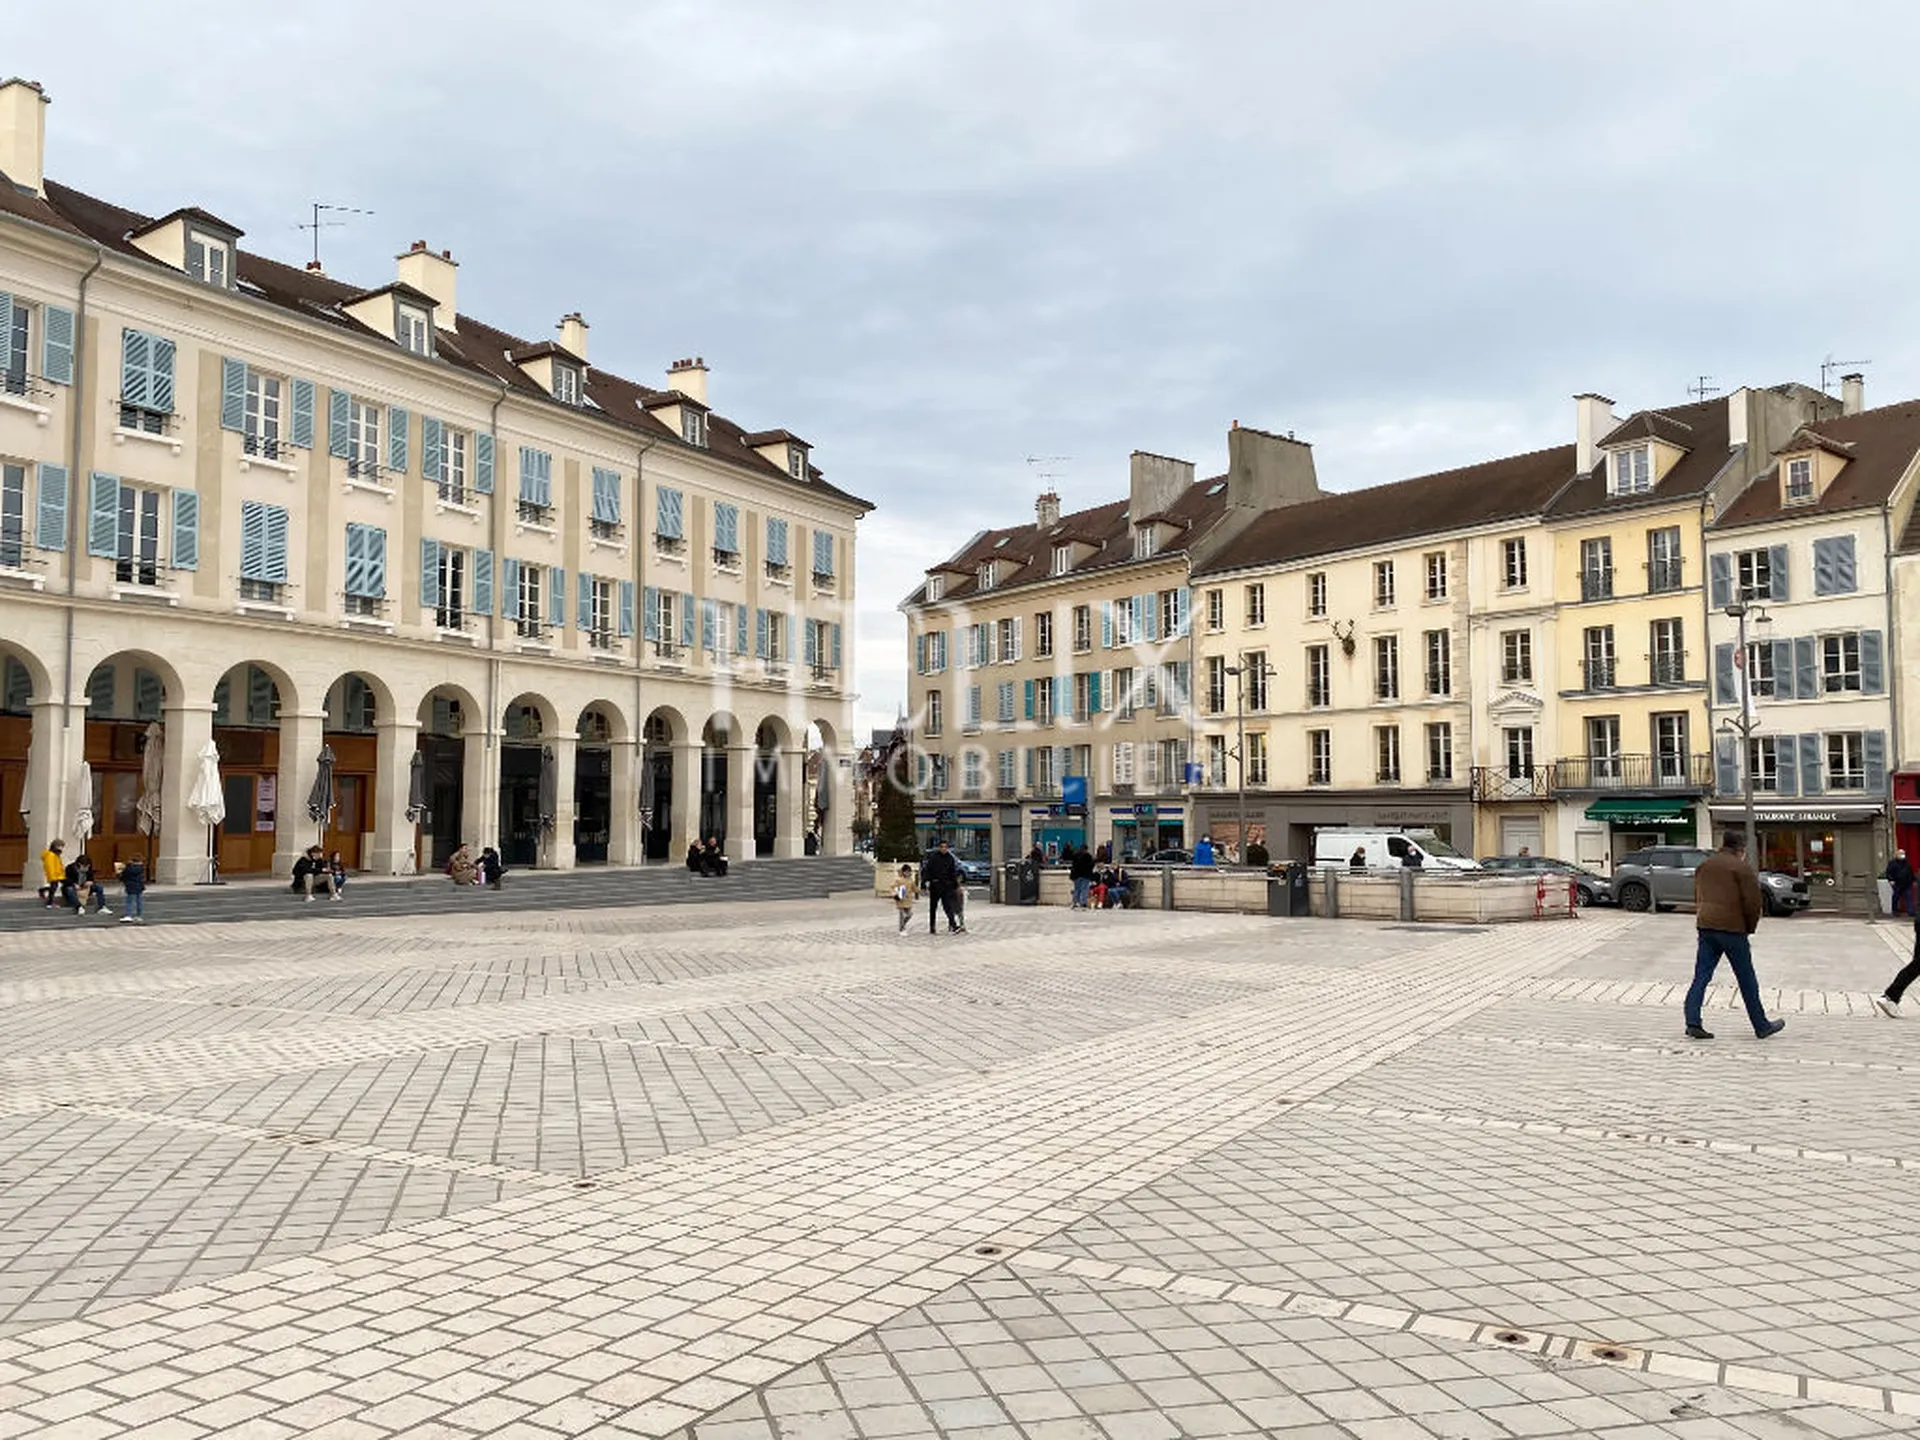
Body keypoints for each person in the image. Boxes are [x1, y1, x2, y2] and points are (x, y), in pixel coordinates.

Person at [1685, 830, 1785, 1040]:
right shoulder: (1741, 868)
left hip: (1706, 925)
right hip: (1732, 928)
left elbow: (1697, 894)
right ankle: (1761, 1025)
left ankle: (1693, 1021)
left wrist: (1703, 915)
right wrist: (1749, 926)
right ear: (1741, 849)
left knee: (1701, 975)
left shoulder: (1705, 865)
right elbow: (1753, 902)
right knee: (1746, 978)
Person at [922, 839, 963, 933]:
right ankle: (932, 927)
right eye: (942, 847)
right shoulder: (934, 857)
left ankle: (953, 925)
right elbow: (927, 870)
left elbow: (952, 872)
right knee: (933, 907)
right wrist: (924, 883)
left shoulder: (950, 858)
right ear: (939, 848)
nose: (944, 849)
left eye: (945, 847)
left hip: (946, 886)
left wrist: (955, 885)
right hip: (935, 885)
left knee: (948, 906)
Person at [1886, 850, 1915, 918]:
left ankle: (1910, 912)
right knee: (1896, 897)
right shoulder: (1892, 863)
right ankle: (1895, 910)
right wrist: (1891, 880)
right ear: (1896, 854)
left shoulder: (1907, 863)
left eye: (1903, 853)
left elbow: (1910, 872)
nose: (1902, 855)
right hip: (1897, 883)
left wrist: (1913, 880)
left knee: (1909, 897)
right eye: (1901, 853)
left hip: (1907, 883)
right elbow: (1889, 872)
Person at [117, 856, 146, 923]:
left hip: (131, 886)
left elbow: (123, 876)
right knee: (139, 901)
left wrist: (120, 873)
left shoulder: (129, 868)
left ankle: (128, 915)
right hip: (139, 886)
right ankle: (139, 916)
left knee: (129, 901)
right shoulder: (141, 868)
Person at [40, 839, 68, 909]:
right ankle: (49, 903)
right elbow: (50, 867)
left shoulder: (56, 854)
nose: (62, 848)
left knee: (53, 888)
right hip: (54, 875)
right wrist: (53, 876)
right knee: (53, 889)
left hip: (57, 874)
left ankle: (43, 891)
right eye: (60, 846)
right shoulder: (51, 855)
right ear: (56, 846)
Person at [1069, 845, 1096, 909]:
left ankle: (1075, 902)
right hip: (1085, 875)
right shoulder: (1088, 856)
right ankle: (1083, 903)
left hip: (1077, 875)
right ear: (1086, 849)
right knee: (1084, 889)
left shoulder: (1076, 855)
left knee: (1077, 889)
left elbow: (1073, 865)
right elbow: (1091, 865)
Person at [892, 864, 917, 933]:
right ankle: (902, 928)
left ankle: (903, 925)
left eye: (909, 872)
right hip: (901, 899)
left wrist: (919, 890)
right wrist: (894, 894)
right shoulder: (899, 880)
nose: (907, 873)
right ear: (903, 872)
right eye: (906, 872)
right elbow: (893, 887)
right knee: (902, 915)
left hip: (908, 900)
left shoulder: (911, 880)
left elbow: (914, 888)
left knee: (909, 914)